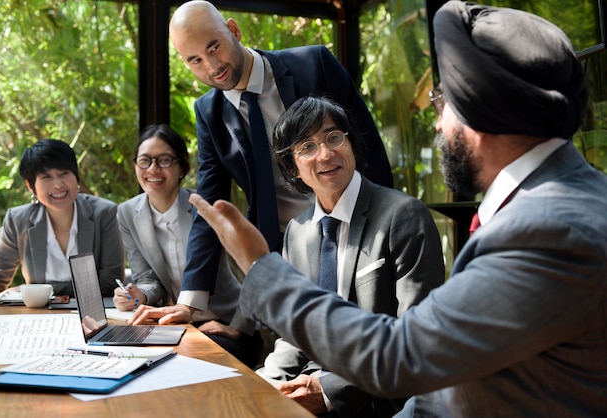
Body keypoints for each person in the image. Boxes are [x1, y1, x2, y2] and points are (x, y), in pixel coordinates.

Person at [187, 2, 607, 416]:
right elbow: (451, 375)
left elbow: (404, 357)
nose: (439, 124)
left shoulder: (547, 230)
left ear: (481, 111)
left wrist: (261, 266)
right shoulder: (553, 203)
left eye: (442, 102)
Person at [130, 0, 393, 325]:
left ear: (234, 30)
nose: (212, 66)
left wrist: (383, 229)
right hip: (284, 248)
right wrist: (190, 302)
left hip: (354, 231)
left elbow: (369, 152)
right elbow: (211, 205)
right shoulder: (208, 112)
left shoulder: (314, 64)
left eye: (214, 47)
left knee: (362, 332)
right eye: (195, 60)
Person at [254, 95, 444, 416]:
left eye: (333, 137)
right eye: (308, 147)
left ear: (351, 144)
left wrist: (328, 392)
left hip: (382, 398)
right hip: (310, 386)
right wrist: (265, 384)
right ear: (292, 168)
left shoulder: (404, 216)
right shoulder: (297, 233)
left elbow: (414, 339)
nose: (326, 154)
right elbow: (295, 333)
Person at [115, 124, 262, 368]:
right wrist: (140, 294)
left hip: (224, 325)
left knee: (177, 364)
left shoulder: (206, 208)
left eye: (164, 160)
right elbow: (148, 279)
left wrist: (237, 326)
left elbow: (257, 270)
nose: (153, 169)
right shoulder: (127, 213)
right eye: (144, 161)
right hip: (176, 327)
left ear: (182, 167)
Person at [0, 139, 124, 297]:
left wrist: (42, 289)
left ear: (76, 176)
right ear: (30, 186)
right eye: (46, 177)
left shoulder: (104, 214)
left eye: (64, 174)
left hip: (93, 315)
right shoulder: (17, 220)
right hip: (38, 316)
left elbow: (111, 283)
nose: (58, 185)